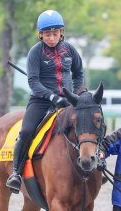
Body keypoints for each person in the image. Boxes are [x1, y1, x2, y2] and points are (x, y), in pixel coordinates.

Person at [6, 10, 85, 193]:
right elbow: (33, 82)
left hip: (67, 101)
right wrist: (52, 97)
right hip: (41, 101)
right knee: (26, 131)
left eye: (55, 33)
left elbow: (79, 74)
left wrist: (78, 93)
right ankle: (16, 173)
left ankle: (96, 165)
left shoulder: (70, 50)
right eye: (47, 34)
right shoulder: (35, 52)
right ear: (40, 34)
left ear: (61, 32)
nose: (51, 38)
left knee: (88, 123)